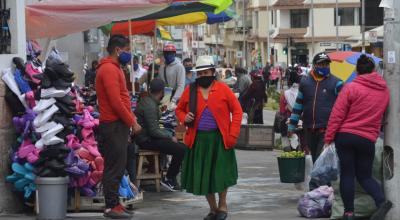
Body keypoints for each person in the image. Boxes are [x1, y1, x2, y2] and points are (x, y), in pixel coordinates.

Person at [324, 55, 391, 220]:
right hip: (367, 138)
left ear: (357, 71)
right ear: (374, 70)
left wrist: (328, 138)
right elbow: (383, 116)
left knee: (347, 174)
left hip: (345, 137)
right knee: (365, 176)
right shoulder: (384, 91)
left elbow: (337, 115)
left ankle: (348, 213)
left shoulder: (351, 87)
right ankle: (382, 202)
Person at [176, 55, 243, 220]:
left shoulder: (223, 89)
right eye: (200, 74)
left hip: (219, 139)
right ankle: (213, 209)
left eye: (206, 73)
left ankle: (223, 205)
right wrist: (185, 118)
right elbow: (179, 109)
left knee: (221, 174)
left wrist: (233, 134)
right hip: (199, 140)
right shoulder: (190, 90)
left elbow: (237, 111)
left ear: (213, 72)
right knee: (204, 175)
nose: (203, 76)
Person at [96, 35, 142, 219]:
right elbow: (116, 102)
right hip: (113, 124)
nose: (129, 54)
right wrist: (133, 122)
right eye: (128, 50)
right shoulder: (108, 69)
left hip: (118, 124)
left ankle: (115, 203)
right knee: (114, 166)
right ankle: (111, 207)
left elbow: (121, 98)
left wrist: (129, 120)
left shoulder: (115, 68)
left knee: (118, 164)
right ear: (118, 50)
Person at [288, 52, 343, 190]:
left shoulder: (337, 83)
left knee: (321, 162)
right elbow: (298, 106)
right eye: (321, 64)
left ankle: (317, 191)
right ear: (314, 65)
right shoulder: (305, 82)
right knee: (315, 161)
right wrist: (292, 126)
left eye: (326, 64)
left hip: (327, 130)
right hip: (309, 130)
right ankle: (324, 192)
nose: (324, 67)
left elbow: (344, 107)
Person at [135, 78, 186, 191]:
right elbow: (154, 131)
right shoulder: (150, 105)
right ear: (162, 92)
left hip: (147, 137)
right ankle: (169, 178)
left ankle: (170, 177)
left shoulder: (149, 101)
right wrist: (169, 136)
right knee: (180, 149)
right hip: (146, 140)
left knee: (181, 147)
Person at [279, 69, 302, 150]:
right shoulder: (303, 92)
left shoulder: (285, 93)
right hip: (302, 121)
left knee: (289, 143)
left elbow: (282, 111)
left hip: (288, 121)